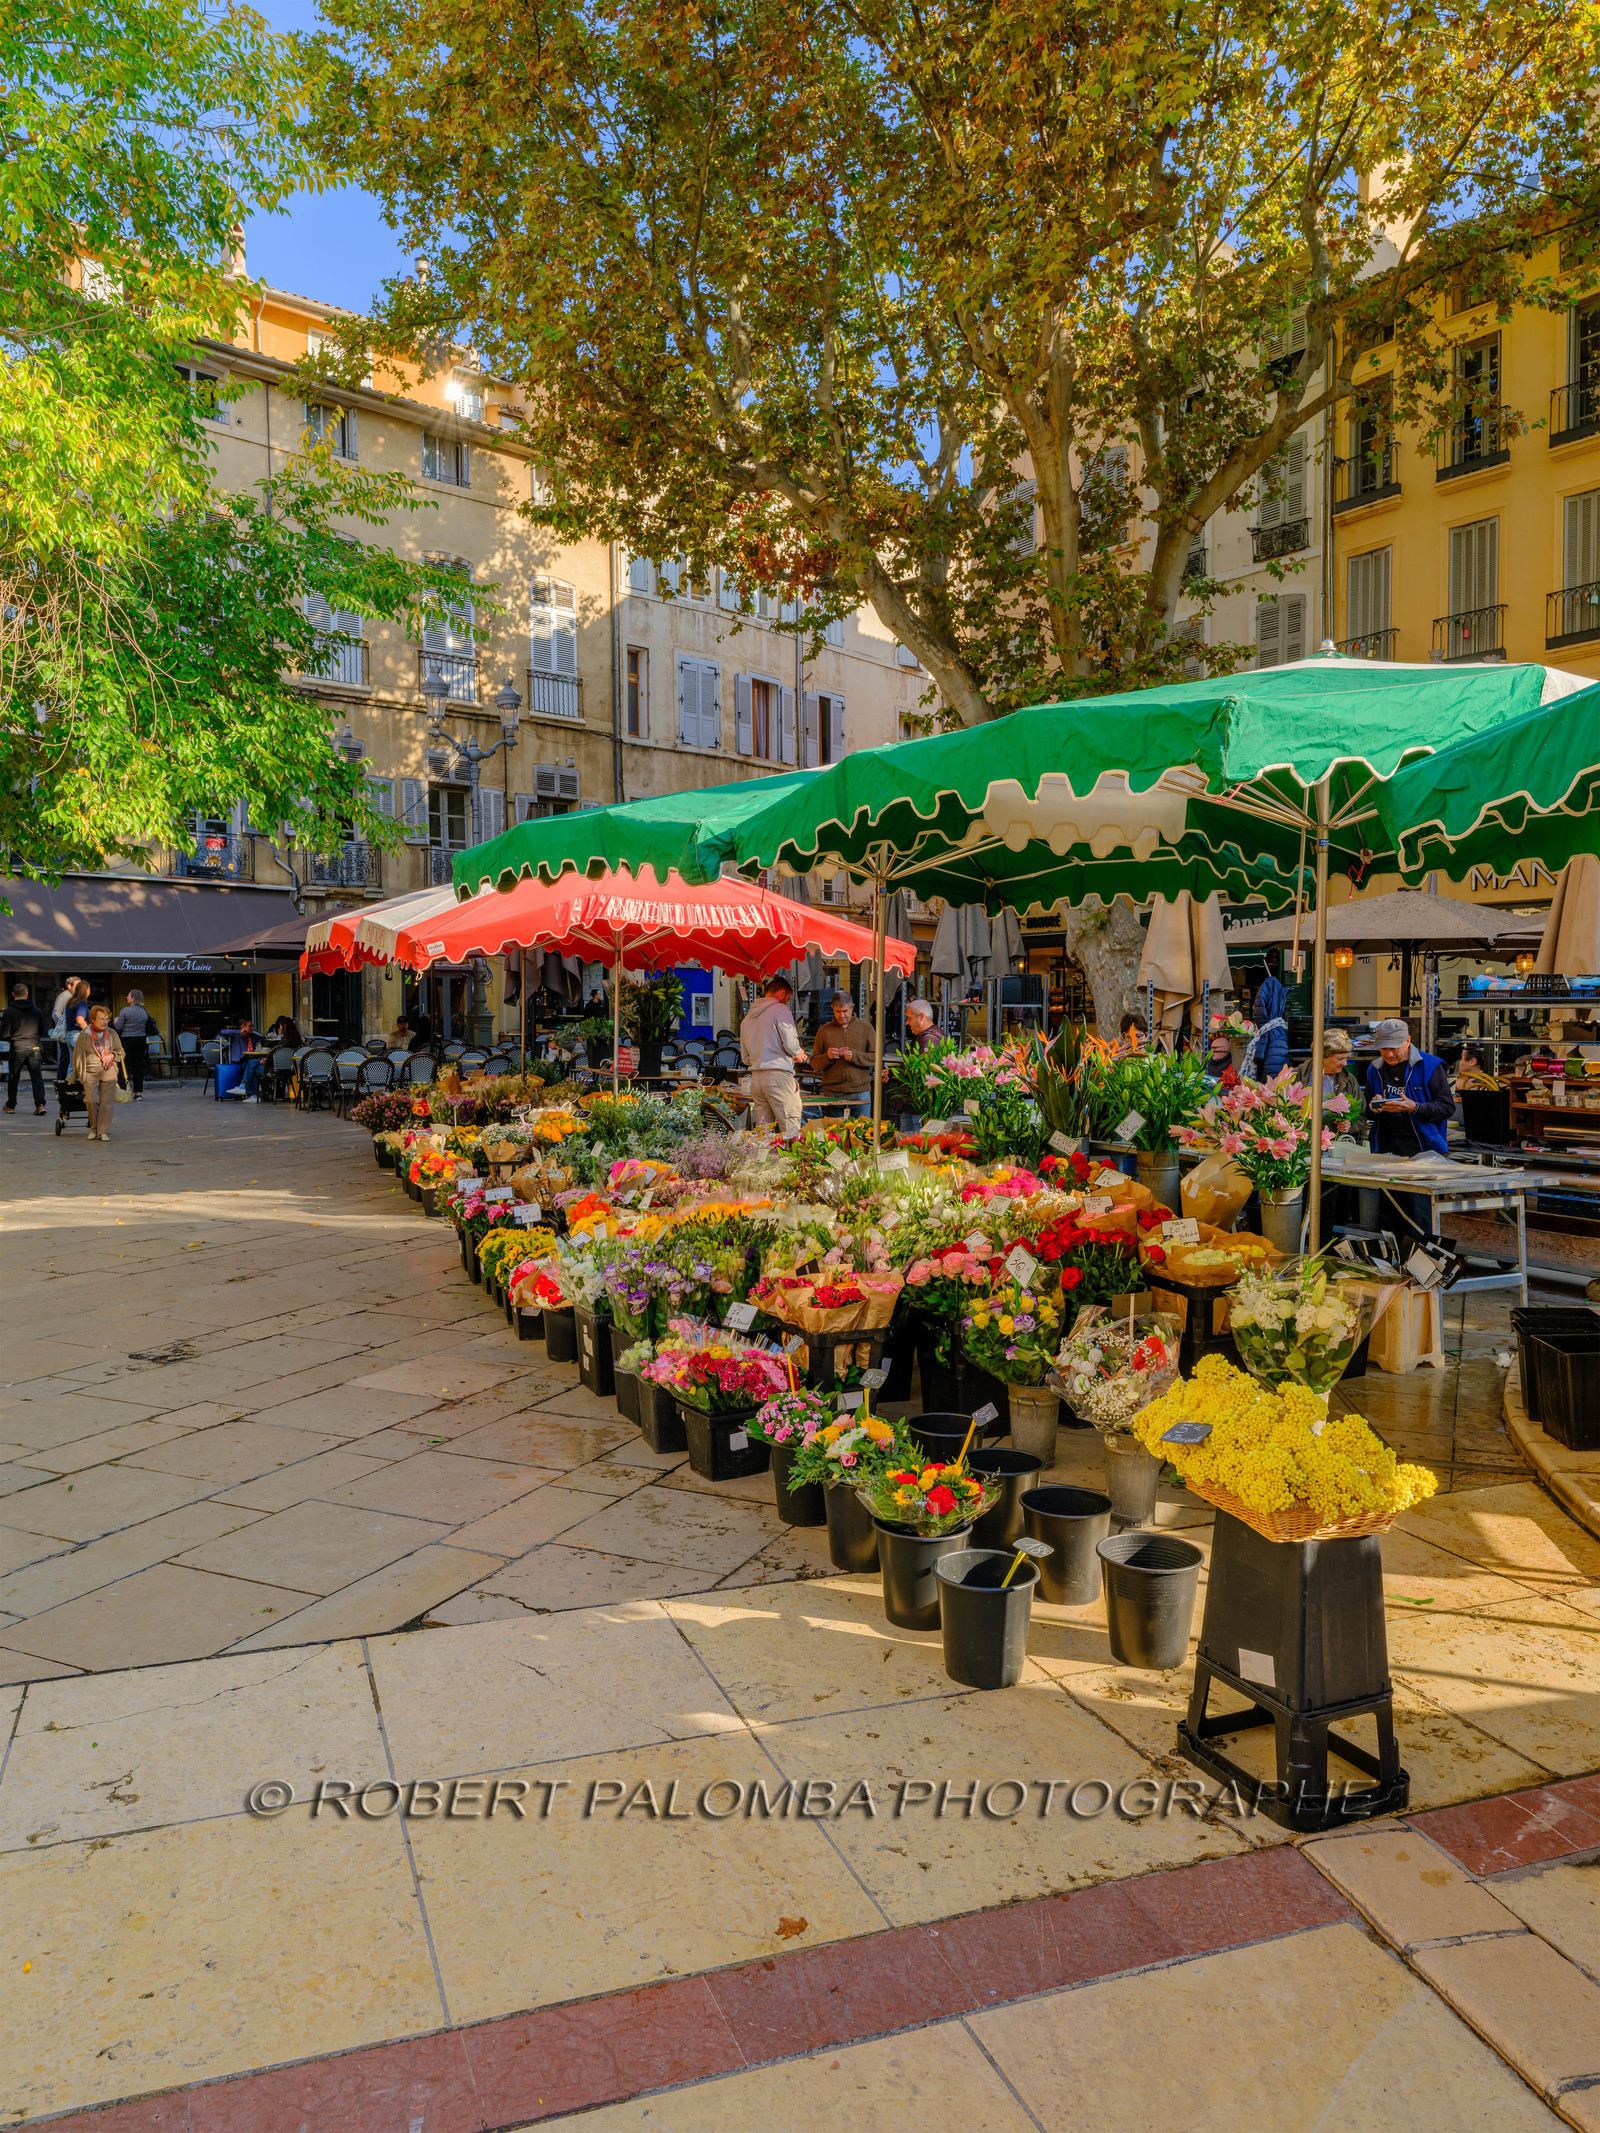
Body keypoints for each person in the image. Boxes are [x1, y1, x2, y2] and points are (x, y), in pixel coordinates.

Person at [1363, 1016, 1454, 1242]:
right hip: (1386, 1147)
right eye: (1383, 1049)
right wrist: (1373, 1106)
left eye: (1394, 1048)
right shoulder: (1374, 1068)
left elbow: (1446, 1107)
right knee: (1390, 1208)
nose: (1389, 1054)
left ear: (1408, 1041)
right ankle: (1392, 1259)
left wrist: (1415, 1107)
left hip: (1422, 1148)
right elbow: (1367, 1110)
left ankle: (1421, 1259)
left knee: (1419, 1212)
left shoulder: (1431, 1066)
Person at [739, 973, 805, 1133]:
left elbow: (746, 1058)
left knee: (763, 1133)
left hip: (756, 1080)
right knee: (790, 1129)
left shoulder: (747, 1019)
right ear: (782, 993)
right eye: (787, 999)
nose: (786, 1003)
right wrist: (798, 1053)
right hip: (779, 1078)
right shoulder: (780, 1009)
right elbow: (791, 1044)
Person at [811, 988, 874, 1113]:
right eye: (837, 1011)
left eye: (845, 1011)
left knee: (863, 1126)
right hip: (832, 1092)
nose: (841, 1015)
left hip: (860, 1091)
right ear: (832, 1009)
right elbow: (814, 1063)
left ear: (852, 1007)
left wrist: (854, 1056)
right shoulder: (824, 1031)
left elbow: (876, 1057)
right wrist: (827, 1057)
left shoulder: (866, 1028)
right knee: (833, 1126)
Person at [71, 1004, 126, 1141]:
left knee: (107, 1103)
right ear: (93, 1020)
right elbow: (78, 1056)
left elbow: (121, 1052)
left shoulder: (112, 1033)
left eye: (107, 1019)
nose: (105, 1022)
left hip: (109, 1071)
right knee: (91, 1100)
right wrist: (73, 1074)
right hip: (90, 1071)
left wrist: (111, 1055)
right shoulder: (85, 1034)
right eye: (102, 1019)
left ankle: (103, 1131)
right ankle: (94, 1127)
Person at [2, 983, 48, 1114]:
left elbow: (4, 1033)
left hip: (17, 1047)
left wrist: (11, 1038)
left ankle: (11, 1105)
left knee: (13, 1076)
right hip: (34, 1046)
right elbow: (42, 1030)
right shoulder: (36, 1011)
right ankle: (40, 1105)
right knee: (36, 1076)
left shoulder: (9, 1012)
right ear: (27, 994)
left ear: (13, 994)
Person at [1320, 1029, 1365, 1135]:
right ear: (1322, 1056)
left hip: (1335, 1142)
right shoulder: (1300, 1076)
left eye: (1346, 1058)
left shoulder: (1349, 1080)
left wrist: (1349, 1124)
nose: (1345, 1063)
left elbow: (1361, 1114)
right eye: (1340, 1059)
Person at [114, 990, 155, 1098]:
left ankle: (124, 1091)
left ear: (133, 998)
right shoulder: (144, 1012)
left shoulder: (125, 1011)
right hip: (141, 1039)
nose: (127, 997)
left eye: (128, 995)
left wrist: (115, 1021)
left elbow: (118, 1027)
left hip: (127, 1039)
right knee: (138, 1066)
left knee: (124, 1065)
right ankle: (138, 1093)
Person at [56, 978, 91, 1093]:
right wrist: (90, 1031)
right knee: (82, 1063)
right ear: (85, 990)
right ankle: (81, 1091)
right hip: (78, 1035)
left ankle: (69, 1090)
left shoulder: (70, 1002)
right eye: (89, 989)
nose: (90, 991)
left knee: (72, 1064)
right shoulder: (82, 1004)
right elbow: (80, 1020)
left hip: (70, 1035)